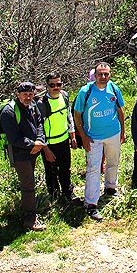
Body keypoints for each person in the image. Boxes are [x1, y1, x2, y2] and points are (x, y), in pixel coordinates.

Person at [73, 62, 125, 221]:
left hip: (113, 133)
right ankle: (91, 203)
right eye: (100, 74)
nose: (103, 77)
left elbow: (120, 111)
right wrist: (83, 135)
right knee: (93, 169)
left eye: (106, 74)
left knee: (113, 162)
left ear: (110, 75)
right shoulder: (86, 92)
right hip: (93, 136)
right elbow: (77, 114)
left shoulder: (114, 89)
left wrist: (122, 132)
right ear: (94, 75)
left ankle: (110, 187)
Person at [0, 82, 48, 230]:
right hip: (20, 154)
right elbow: (14, 138)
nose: (28, 97)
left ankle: (30, 214)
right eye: (25, 95)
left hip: (33, 150)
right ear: (18, 95)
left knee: (29, 183)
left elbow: (40, 123)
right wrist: (33, 145)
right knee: (28, 185)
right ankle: (30, 220)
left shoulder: (32, 106)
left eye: (30, 94)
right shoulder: (9, 112)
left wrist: (39, 140)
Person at [36, 73, 77, 203]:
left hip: (64, 141)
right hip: (50, 144)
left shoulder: (64, 96)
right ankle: (54, 197)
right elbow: (40, 128)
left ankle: (68, 193)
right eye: (52, 85)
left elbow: (69, 117)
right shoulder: (42, 104)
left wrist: (73, 136)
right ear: (47, 86)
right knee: (51, 172)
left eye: (58, 84)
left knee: (65, 169)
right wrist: (46, 149)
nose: (55, 87)